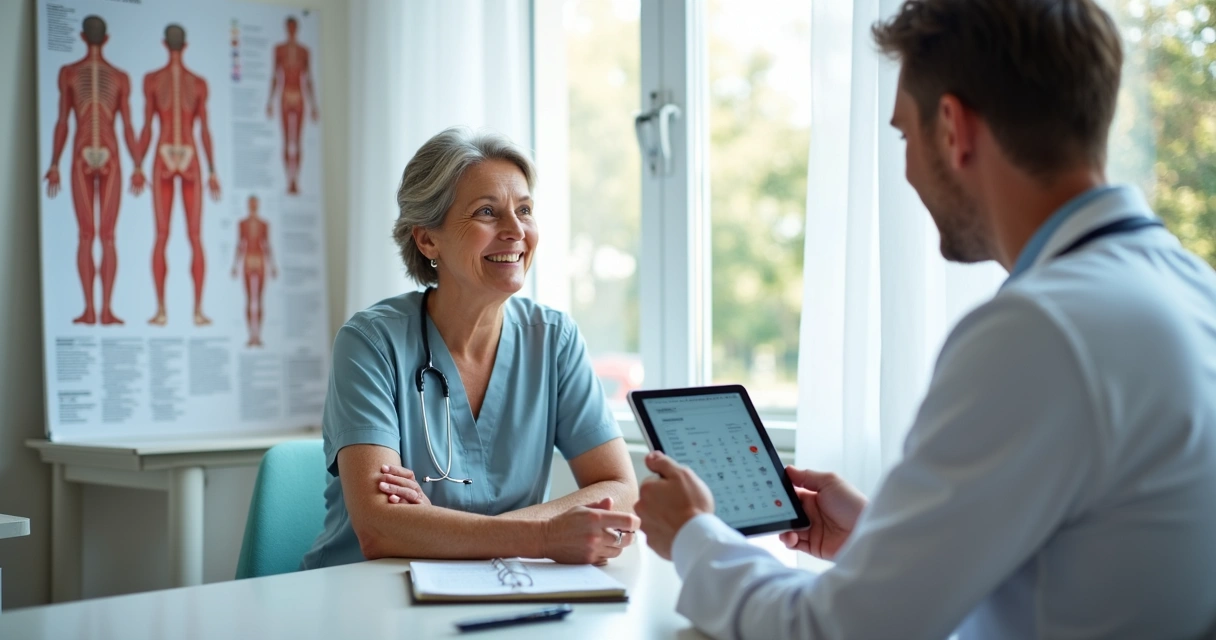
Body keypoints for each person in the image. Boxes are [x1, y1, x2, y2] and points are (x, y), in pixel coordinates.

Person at [634, 1, 1216, 638]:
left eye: (904, 135)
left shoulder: (1040, 332)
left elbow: (836, 632)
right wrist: (883, 538)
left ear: (953, 128)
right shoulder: (1189, 290)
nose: (908, 168)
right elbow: (1082, 557)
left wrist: (694, 537)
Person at [301, 128, 639, 570]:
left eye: (524, 210)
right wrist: (542, 536)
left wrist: (439, 528)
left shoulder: (553, 339)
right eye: (487, 212)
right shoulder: (370, 343)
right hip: (363, 595)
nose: (516, 231)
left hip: (498, 588)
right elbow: (381, 528)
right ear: (427, 240)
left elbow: (620, 488)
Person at [44, 15, 140, 326]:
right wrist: (55, 163)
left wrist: (55, 163)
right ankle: (95, 310)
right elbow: (125, 127)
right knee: (97, 236)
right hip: (105, 157)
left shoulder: (73, 73)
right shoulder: (106, 76)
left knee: (94, 236)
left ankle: (100, 310)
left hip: (85, 157)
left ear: (83, 37)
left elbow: (64, 122)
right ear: (107, 38)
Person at [135, 24, 221, 327]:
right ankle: (179, 310)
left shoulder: (168, 82)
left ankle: (175, 310)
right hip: (184, 159)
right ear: (185, 46)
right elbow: (203, 129)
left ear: (164, 43)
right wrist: (211, 170)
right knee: (183, 237)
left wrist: (136, 164)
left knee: (175, 236)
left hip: (172, 159)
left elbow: (148, 126)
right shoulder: (192, 83)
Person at [266, 16, 318, 195]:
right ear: (286, 28)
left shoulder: (304, 51)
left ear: (297, 29)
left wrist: (314, 105)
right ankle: (289, 179)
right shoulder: (278, 50)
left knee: (298, 141)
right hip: (285, 96)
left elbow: (309, 79)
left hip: (299, 95)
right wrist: (270, 102)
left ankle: (296, 179)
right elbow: (275, 76)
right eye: (289, 27)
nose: (291, 30)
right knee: (287, 140)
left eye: (294, 27)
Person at [231, 195, 277, 347]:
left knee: (260, 299)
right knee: (250, 299)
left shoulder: (264, 224)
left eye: (255, 204)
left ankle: (258, 336)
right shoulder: (242, 224)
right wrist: (235, 265)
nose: (253, 206)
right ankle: (251, 335)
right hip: (248, 260)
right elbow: (240, 244)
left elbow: (267, 245)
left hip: (259, 259)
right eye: (251, 204)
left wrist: (272, 265)